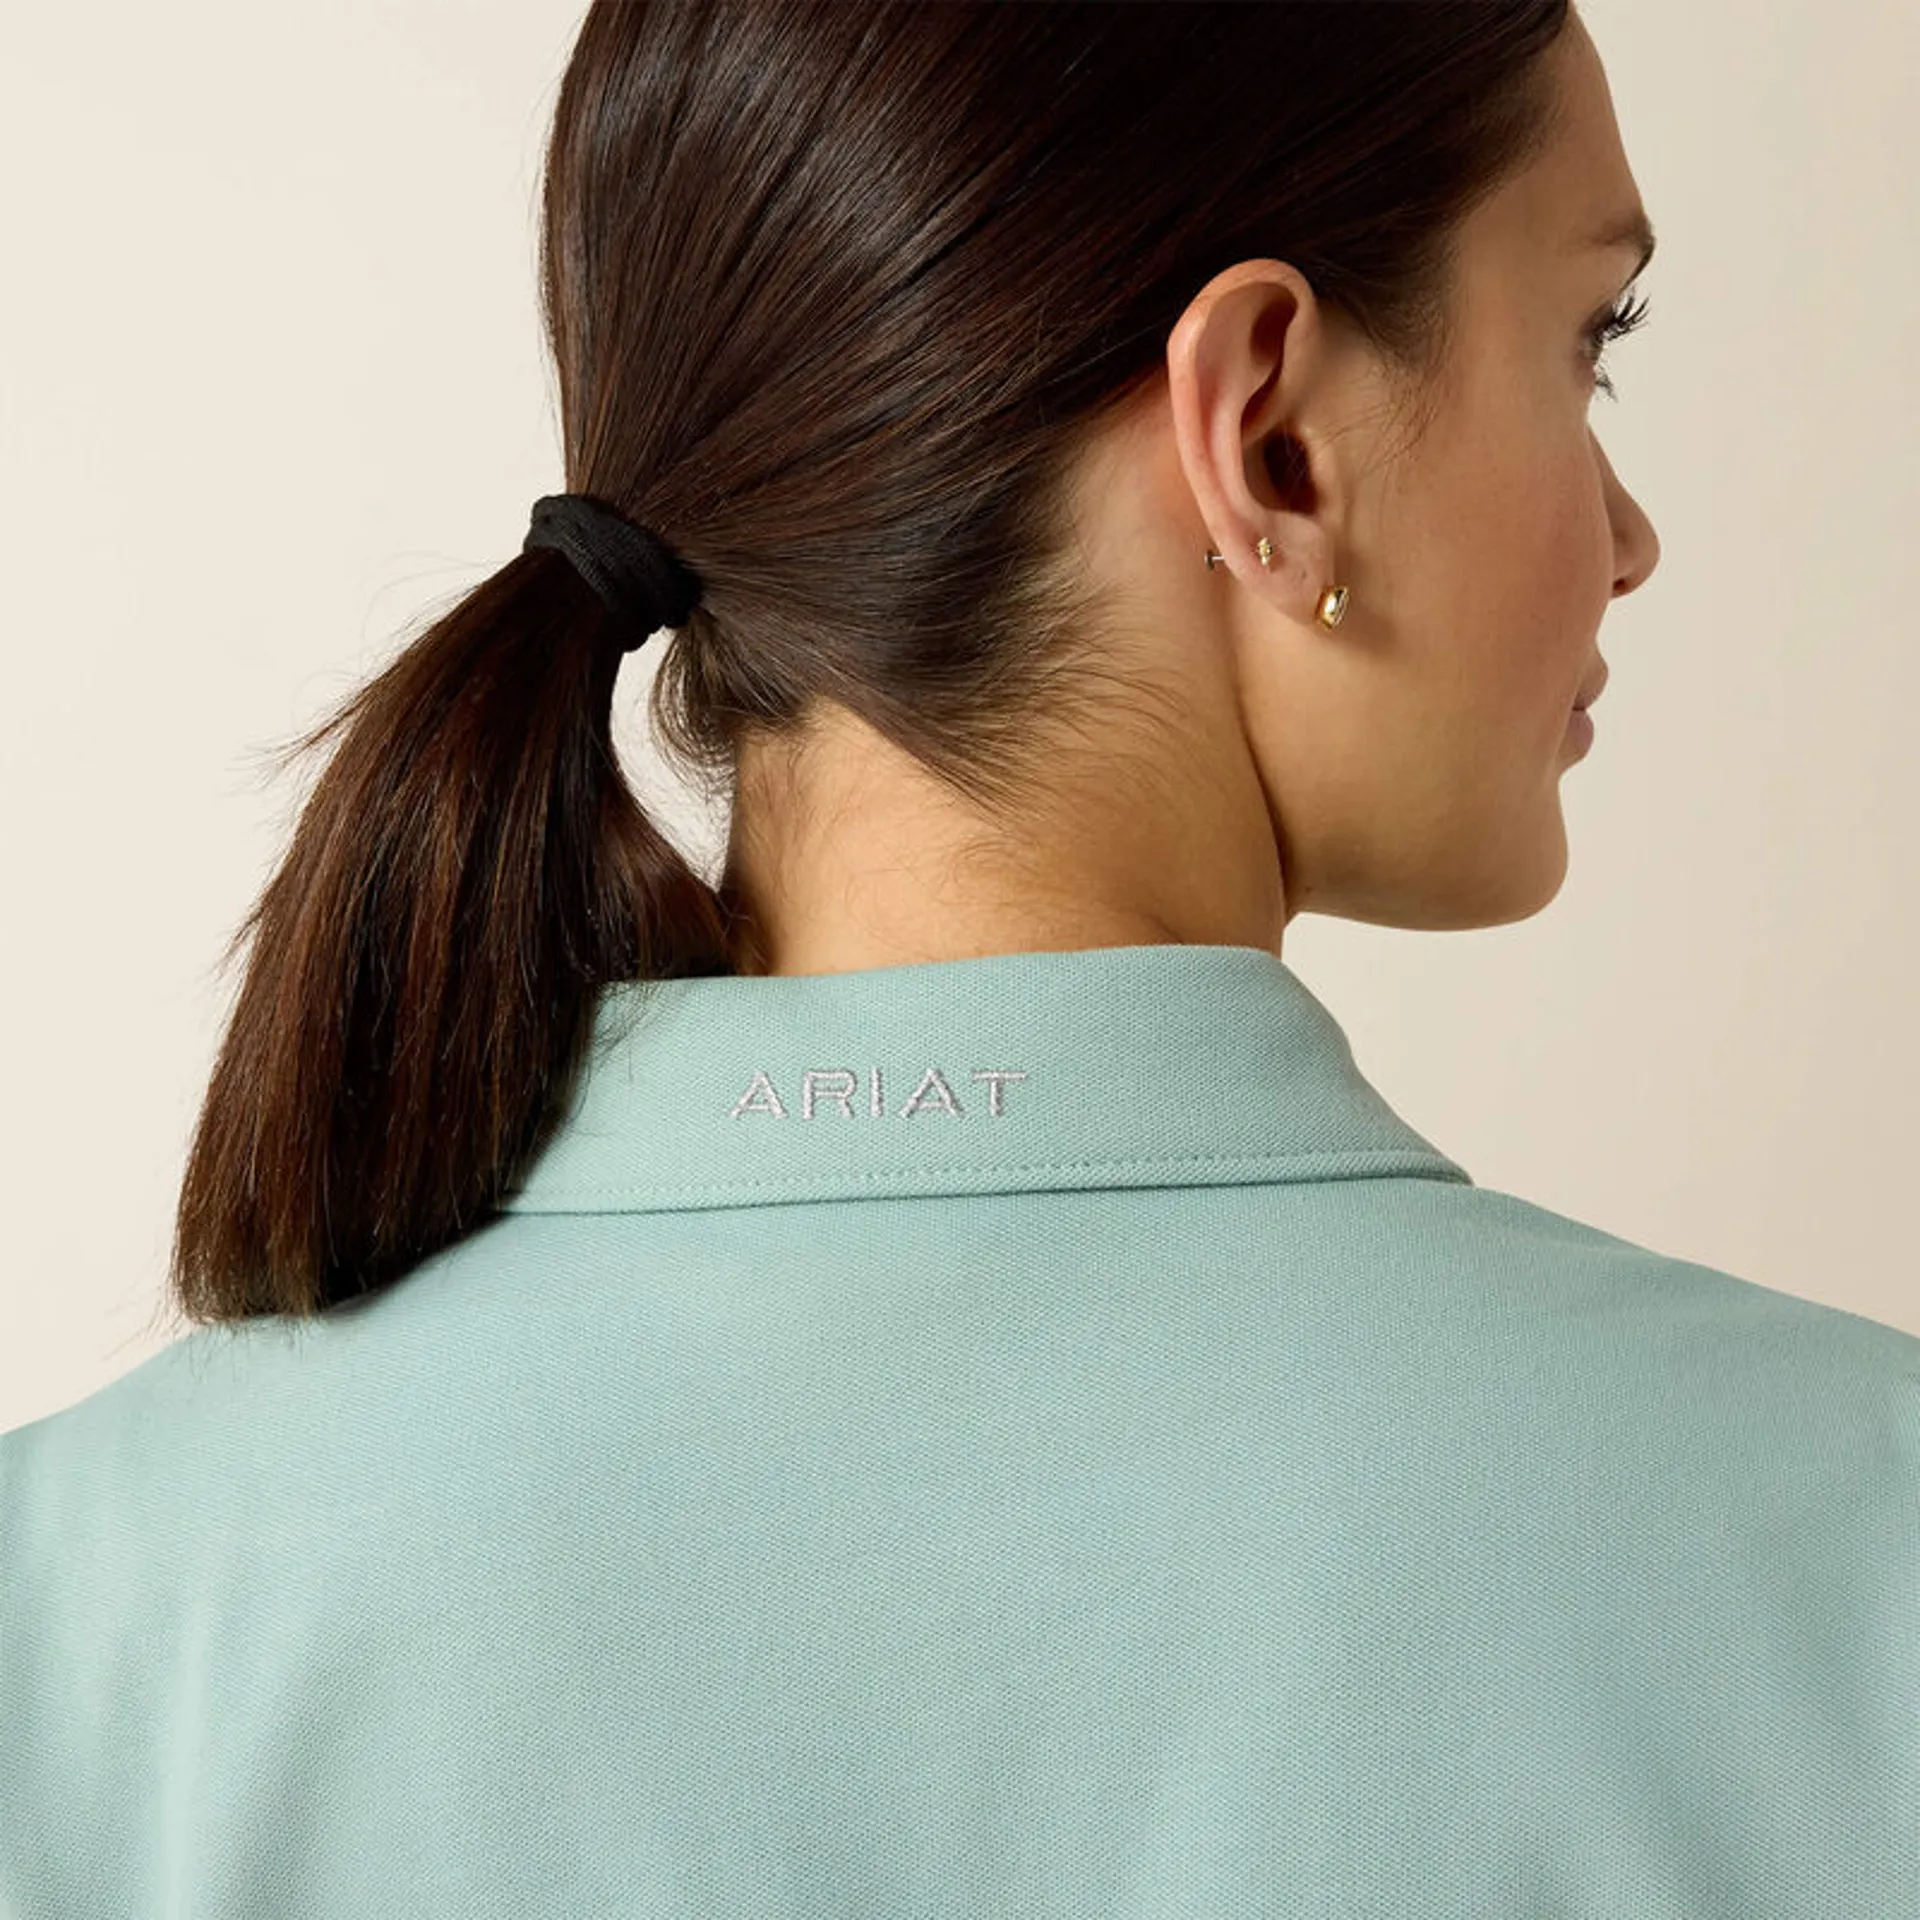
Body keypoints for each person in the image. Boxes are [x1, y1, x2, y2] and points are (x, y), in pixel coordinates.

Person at [2, 4, 1913, 1915]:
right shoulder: (1854, 1560)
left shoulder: (78, 1619)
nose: (1630, 538)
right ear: (1271, 438)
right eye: (1590, 340)